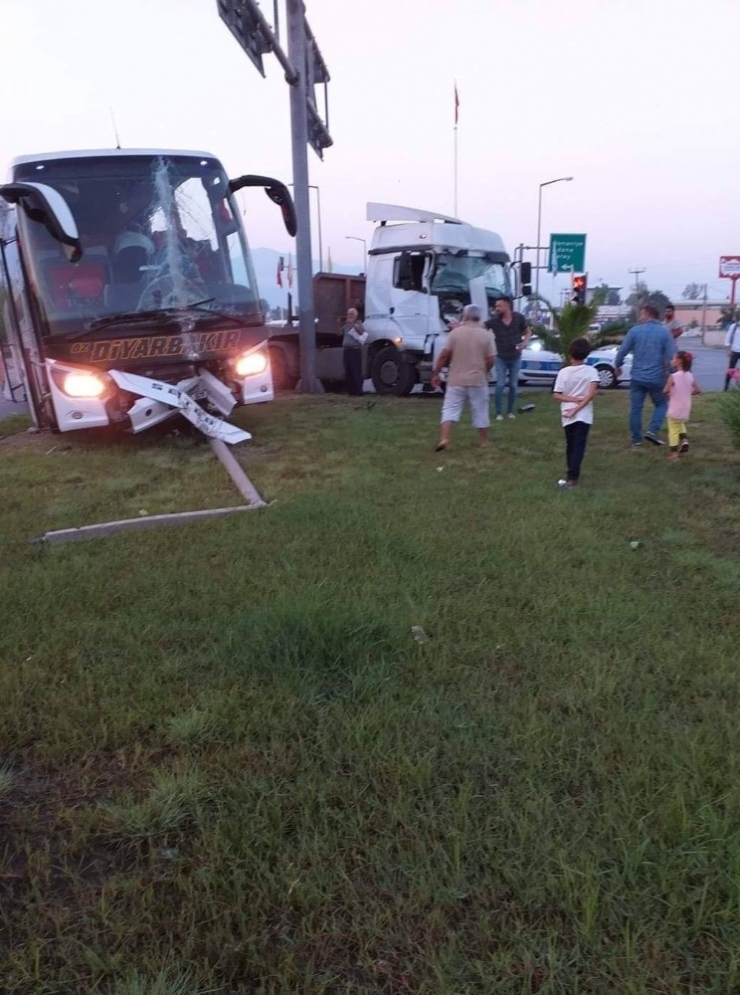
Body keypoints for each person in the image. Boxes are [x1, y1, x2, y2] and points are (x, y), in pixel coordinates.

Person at [431, 304, 496, 451]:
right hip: (478, 379)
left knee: (449, 409)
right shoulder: (486, 335)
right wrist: (484, 370)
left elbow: (444, 355)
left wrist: (436, 373)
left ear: (465, 316)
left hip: (456, 379)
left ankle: (444, 438)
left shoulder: (455, 333)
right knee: (480, 410)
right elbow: (491, 359)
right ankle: (484, 441)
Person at [614, 303, 676, 447]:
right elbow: (672, 357)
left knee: (636, 408)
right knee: (661, 404)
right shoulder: (665, 332)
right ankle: (652, 431)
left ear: (648, 314)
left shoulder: (635, 331)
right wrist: (673, 376)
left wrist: (618, 365)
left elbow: (622, 350)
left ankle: (636, 440)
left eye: (641, 314)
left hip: (637, 378)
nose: (640, 317)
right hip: (656, 378)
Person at [552, 337, 600, 488]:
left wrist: (572, 406)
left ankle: (571, 476)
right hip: (584, 414)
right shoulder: (592, 371)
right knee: (578, 445)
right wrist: (578, 404)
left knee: (571, 445)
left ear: (571, 353)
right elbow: (590, 395)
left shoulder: (564, 372)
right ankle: (572, 476)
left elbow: (557, 394)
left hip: (567, 413)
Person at [485, 295, 531, 420]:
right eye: (496, 306)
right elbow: (481, 328)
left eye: (499, 306)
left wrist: (525, 342)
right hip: (500, 357)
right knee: (500, 385)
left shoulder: (519, 318)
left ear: (507, 306)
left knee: (513, 385)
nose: (496, 308)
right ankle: (499, 413)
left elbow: (528, 331)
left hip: (515, 356)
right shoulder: (494, 321)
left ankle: (510, 411)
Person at [664, 351, 701, 461]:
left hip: (674, 408)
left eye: (674, 359)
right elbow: (698, 390)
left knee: (673, 430)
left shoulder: (673, 376)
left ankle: (673, 454)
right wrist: (687, 393)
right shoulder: (690, 376)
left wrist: (670, 394)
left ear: (679, 361)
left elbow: (665, 390)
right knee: (680, 423)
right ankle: (684, 440)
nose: (672, 361)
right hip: (685, 408)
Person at [342, 307, 367, 396]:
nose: (349, 316)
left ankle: (359, 392)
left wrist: (352, 324)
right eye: (348, 314)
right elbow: (339, 333)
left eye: (351, 314)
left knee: (356, 371)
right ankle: (351, 392)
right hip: (347, 350)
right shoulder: (346, 325)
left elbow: (361, 332)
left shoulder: (358, 323)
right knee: (348, 371)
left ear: (356, 315)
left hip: (355, 350)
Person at [723, 317, 740, 391]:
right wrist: (728, 349)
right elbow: (728, 338)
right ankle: (726, 387)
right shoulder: (734, 326)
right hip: (734, 350)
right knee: (731, 369)